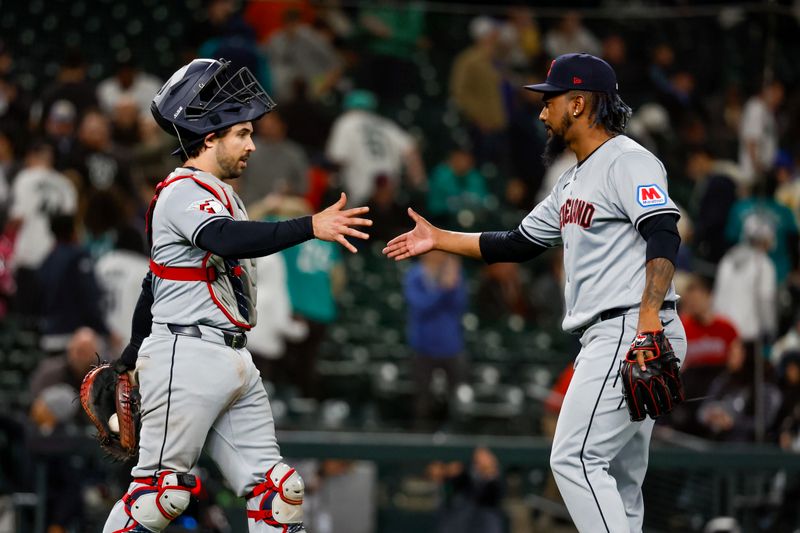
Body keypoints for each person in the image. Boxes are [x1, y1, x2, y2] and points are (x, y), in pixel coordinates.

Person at [384, 53, 686, 532]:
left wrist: (649, 315)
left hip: (632, 324)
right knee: (621, 478)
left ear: (580, 103)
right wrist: (439, 238)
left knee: (574, 459)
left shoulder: (628, 160)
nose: (542, 112)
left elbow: (664, 231)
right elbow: (516, 244)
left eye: (551, 100)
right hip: (614, 330)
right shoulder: (571, 181)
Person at [102, 58, 371, 533]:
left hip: (230, 358)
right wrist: (310, 225)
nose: (251, 144)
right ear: (209, 138)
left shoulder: (221, 193)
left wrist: (128, 353)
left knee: (278, 490)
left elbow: (155, 282)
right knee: (159, 494)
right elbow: (225, 239)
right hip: (185, 354)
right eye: (242, 133)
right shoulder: (184, 189)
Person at [325, 89, 425, 205]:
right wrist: (418, 185)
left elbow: (336, 158)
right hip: (390, 193)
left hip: (361, 194)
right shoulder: (384, 123)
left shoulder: (346, 121)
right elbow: (411, 151)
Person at [404, 251, 468, 426]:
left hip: (451, 347)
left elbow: (461, 304)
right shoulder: (415, 275)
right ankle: (420, 443)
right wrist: (443, 290)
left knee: (457, 399)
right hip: (423, 348)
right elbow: (420, 305)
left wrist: (453, 283)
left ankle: (455, 439)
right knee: (422, 400)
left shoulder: (453, 273)